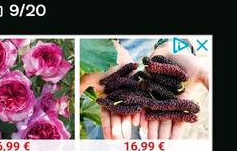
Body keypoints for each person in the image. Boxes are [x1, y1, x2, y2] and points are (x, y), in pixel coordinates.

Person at [80, 37, 209, 141]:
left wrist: (175, 42)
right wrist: (101, 50)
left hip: (147, 53)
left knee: (145, 102)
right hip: (111, 60)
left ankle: (144, 123)